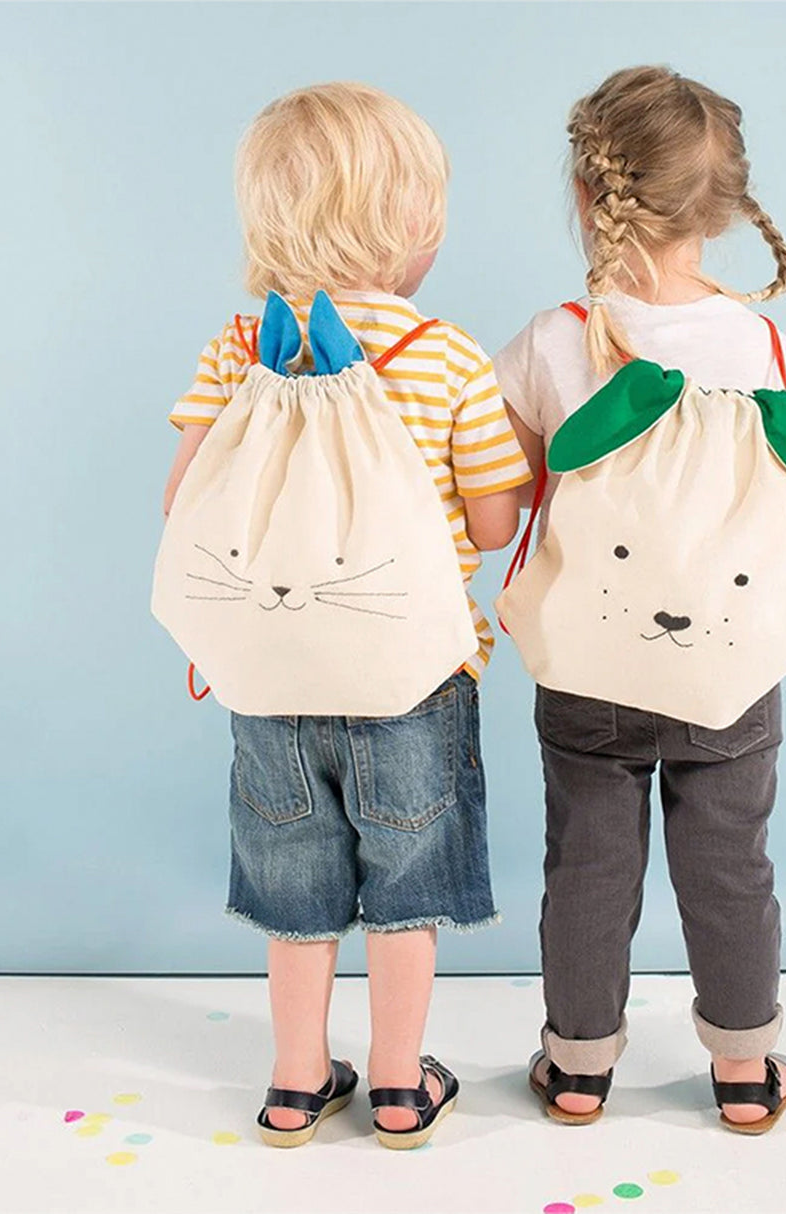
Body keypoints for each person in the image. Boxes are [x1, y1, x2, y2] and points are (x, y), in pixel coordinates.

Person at [162, 82, 530, 1149]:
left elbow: (182, 502)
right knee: (401, 893)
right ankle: (400, 1084)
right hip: (410, 675)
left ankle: (290, 1081)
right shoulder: (449, 359)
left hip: (269, 679)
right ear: (416, 226)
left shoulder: (239, 347)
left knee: (297, 886)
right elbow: (495, 523)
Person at [495, 65, 786, 1135]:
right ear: (724, 208)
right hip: (729, 667)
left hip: (590, 660)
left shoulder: (555, 338)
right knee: (729, 863)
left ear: (590, 198)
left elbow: (502, 485)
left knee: (587, 861)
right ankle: (741, 1069)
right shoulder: (767, 348)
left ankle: (578, 1065)